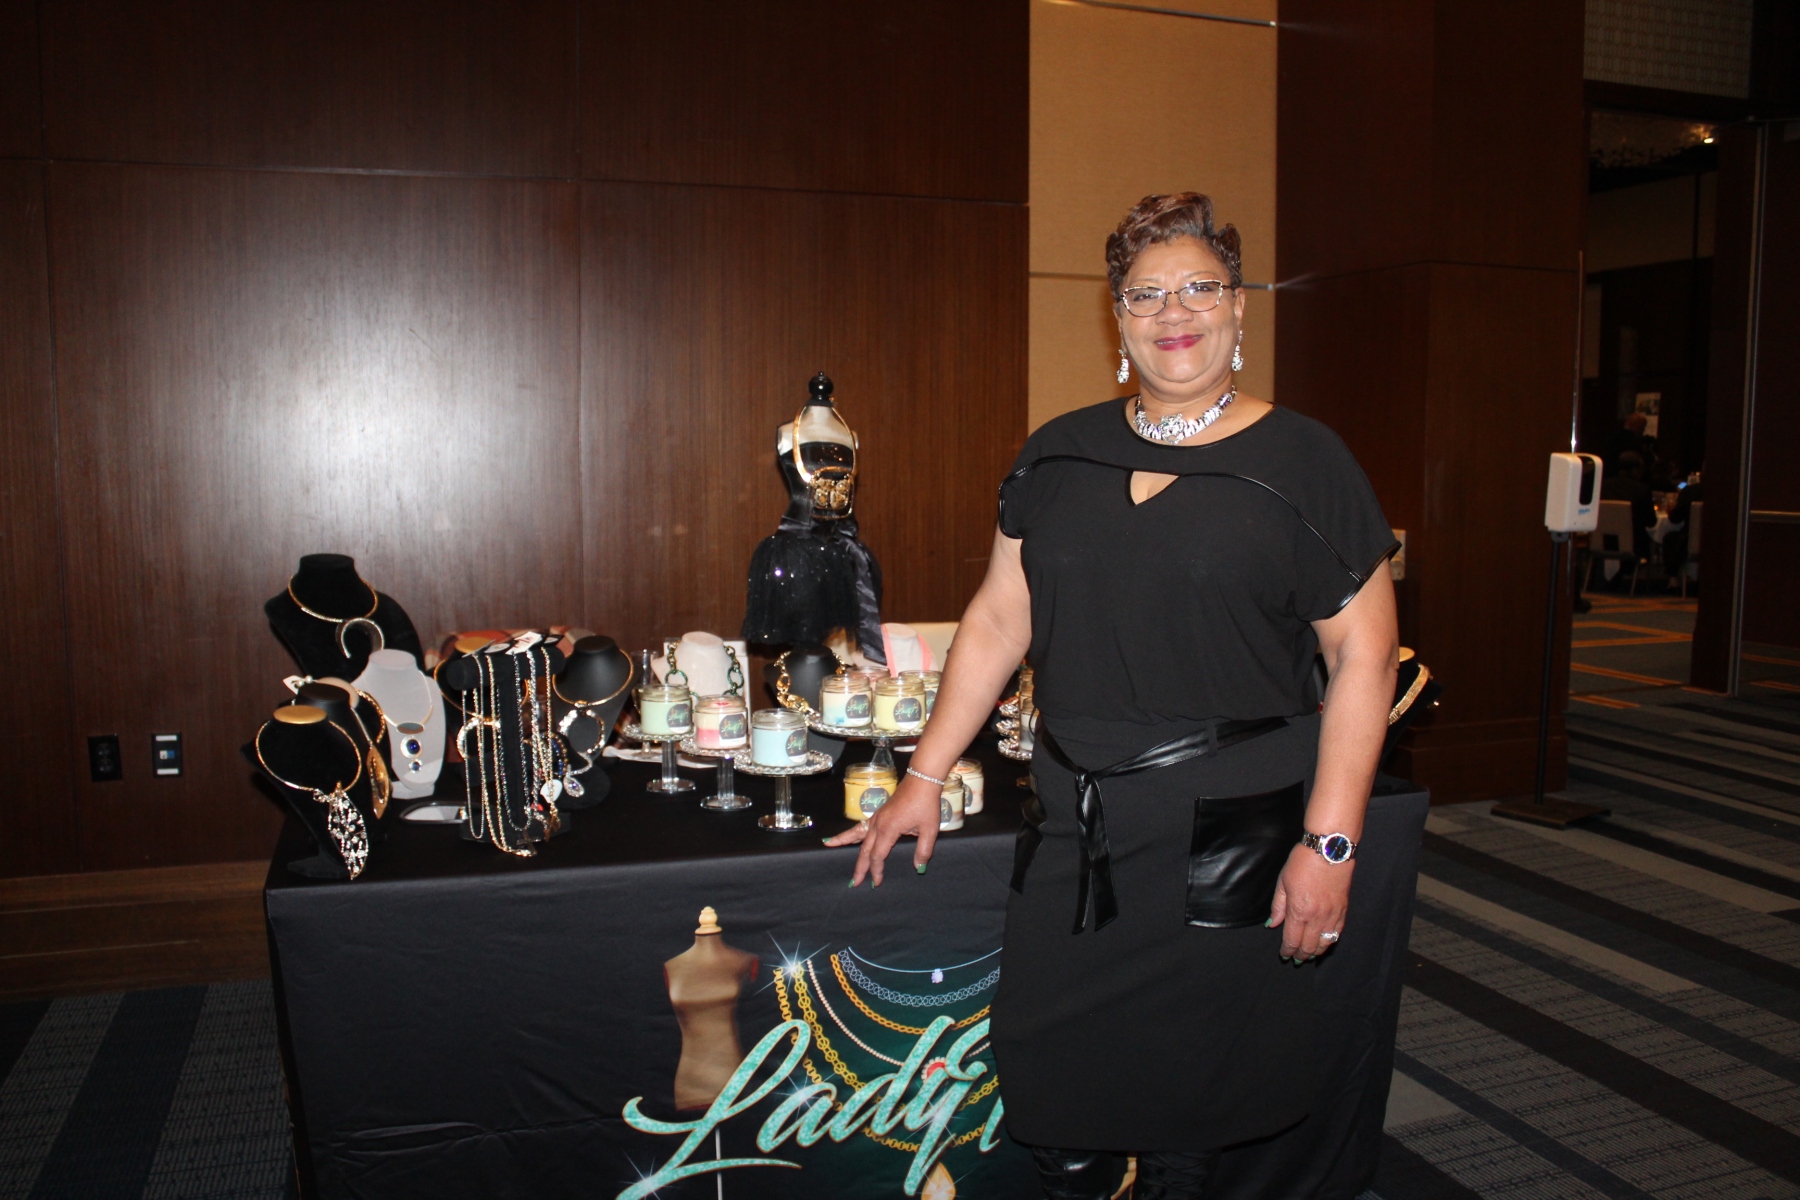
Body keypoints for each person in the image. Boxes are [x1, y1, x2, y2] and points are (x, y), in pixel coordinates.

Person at [826, 193, 1399, 1199]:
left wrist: (1333, 843)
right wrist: (924, 773)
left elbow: (1366, 656)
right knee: (1051, 1076)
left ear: (1239, 308)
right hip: (1075, 822)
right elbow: (999, 620)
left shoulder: (1305, 462)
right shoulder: (1059, 451)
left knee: (1192, 1102)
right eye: (1146, 294)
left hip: (1228, 830)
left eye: (1200, 288)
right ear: (1118, 316)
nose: (1175, 312)